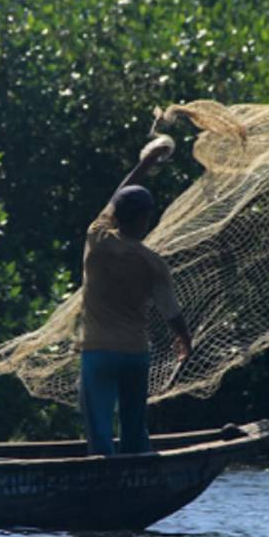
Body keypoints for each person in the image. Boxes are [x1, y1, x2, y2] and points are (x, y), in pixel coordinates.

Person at [80, 138, 192, 456]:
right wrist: (184, 338)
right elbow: (171, 311)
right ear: (144, 220)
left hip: (98, 352)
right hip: (134, 354)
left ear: (118, 216)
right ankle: (137, 474)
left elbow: (118, 196)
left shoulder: (97, 240)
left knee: (99, 426)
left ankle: (105, 478)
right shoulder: (152, 262)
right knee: (133, 423)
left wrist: (146, 163)